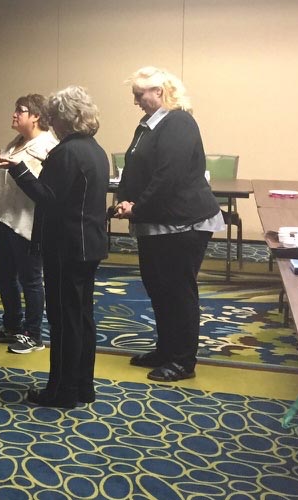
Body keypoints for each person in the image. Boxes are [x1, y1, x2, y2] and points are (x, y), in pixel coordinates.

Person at [0, 86, 109, 408]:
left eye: (53, 117)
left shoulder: (68, 152)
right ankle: (82, 387)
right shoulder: (94, 149)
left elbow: (48, 197)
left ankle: (61, 391)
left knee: (64, 322)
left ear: (64, 118)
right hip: (89, 244)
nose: (51, 123)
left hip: (66, 246)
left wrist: (17, 168)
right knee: (82, 319)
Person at [113, 67, 223, 382]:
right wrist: (125, 199)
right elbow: (132, 167)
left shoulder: (179, 122)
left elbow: (168, 176)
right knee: (158, 288)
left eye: (139, 94)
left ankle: (183, 360)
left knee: (177, 291)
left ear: (159, 92)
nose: (135, 101)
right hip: (156, 222)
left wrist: (137, 207)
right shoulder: (148, 125)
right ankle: (166, 349)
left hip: (182, 224)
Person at [0, 94, 58, 354]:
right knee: (5, 275)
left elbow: (40, 185)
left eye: (20, 111)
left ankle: (34, 334)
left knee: (30, 279)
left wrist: (7, 164)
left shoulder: (47, 146)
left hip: (28, 222)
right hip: (6, 218)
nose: (14, 115)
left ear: (36, 116)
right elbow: (9, 167)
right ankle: (12, 325)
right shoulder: (17, 141)